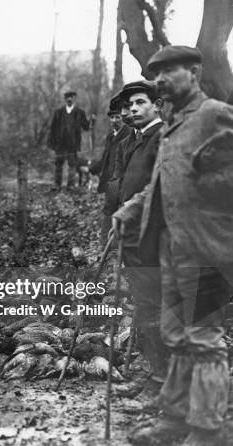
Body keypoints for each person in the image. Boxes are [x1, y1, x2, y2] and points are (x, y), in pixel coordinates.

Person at [113, 46, 233, 445]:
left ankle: (208, 430)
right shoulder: (172, 125)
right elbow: (160, 185)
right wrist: (130, 210)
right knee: (175, 334)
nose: (161, 81)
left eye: (169, 72)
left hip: (208, 249)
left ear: (195, 71)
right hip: (171, 248)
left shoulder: (214, 114)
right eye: (156, 74)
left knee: (202, 339)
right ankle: (177, 420)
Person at [112, 80, 169, 405]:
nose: (132, 109)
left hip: (154, 238)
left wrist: (129, 214)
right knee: (144, 306)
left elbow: (157, 189)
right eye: (130, 105)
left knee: (153, 308)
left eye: (139, 102)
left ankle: (161, 381)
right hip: (133, 236)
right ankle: (152, 374)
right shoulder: (140, 139)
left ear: (157, 105)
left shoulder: (162, 138)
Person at [92, 94, 132, 246]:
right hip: (109, 181)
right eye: (112, 118)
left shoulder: (128, 134)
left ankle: (111, 245)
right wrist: (92, 168)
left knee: (117, 212)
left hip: (120, 181)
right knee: (109, 211)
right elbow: (105, 158)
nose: (115, 121)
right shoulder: (110, 136)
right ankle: (106, 245)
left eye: (117, 117)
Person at [48, 91, 93, 191]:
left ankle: (70, 185)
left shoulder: (80, 113)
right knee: (58, 165)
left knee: (72, 165)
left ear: (74, 98)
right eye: (67, 97)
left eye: (71, 97)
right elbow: (52, 129)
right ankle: (57, 185)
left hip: (73, 144)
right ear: (65, 99)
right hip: (60, 144)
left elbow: (86, 127)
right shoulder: (58, 113)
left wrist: (91, 121)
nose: (69, 99)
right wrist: (51, 144)